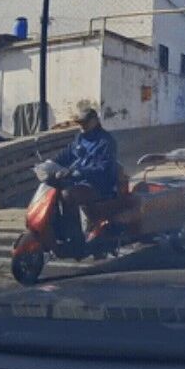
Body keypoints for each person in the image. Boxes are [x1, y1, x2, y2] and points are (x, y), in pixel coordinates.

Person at [54, 108, 118, 257]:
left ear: (95, 121)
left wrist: (80, 172)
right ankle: (60, 232)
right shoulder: (80, 138)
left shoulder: (106, 141)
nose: (82, 125)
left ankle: (76, 240)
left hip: (100, 185)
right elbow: (66, 155)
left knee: (68, 195)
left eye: (85, 122)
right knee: (56, 191)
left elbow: (103, 168)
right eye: (80, 123)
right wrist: (49, 163)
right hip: (82, 182)